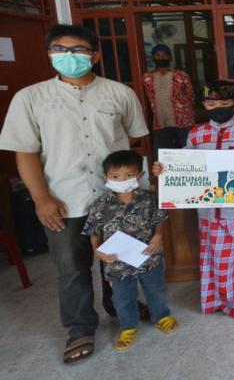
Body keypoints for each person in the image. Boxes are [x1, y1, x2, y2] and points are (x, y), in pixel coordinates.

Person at [0, 24, 149, 363]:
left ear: (95, 55)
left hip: (116, 199)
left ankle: (120, 304)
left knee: (120, 260)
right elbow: (24, 152)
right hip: (65, 200)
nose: (70, 57)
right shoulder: (31, 98)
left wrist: (138, 190)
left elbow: (136, 142)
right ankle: (80, 327)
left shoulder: (119, 94)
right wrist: (41, 198)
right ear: (50, 54)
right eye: (61, 50)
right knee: (71, 267)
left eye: (79, 50)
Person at [153, 80, 234, 317]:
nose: (218, 107)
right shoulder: (196, 133)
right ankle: (218, 295)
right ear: (204, 104)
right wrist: (164, 168)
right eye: (212, 103)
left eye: (225, 103)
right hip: (208, 209)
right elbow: (183, 163)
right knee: (212, 252)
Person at [84, 150, 177, 351]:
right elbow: (93, 232)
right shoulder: (100, 205)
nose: (122, 180)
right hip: (117, 263)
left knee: (156, 289)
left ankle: (161, 315)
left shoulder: (149, 198)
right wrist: (97, 251)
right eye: (115, 176)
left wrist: (158, 236)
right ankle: (127, 326)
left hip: (149, 257)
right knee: (122, 297)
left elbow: (159, 220)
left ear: (140, 176)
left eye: (129, 175)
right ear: (105, 178)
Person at [142, 44, 195, 158]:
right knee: (162, 156)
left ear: (170, 57)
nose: (161, 58)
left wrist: (184, 111)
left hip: (183, 122)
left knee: (188, 154)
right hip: (160, 122)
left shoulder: (181, 75)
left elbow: (191, 96)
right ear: (153, 58)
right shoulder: (147, 77)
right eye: (157, 55)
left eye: (164, 55)